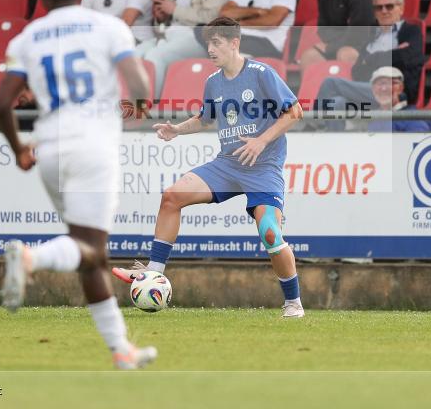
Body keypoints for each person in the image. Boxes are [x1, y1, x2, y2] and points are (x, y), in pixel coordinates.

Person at [0, 0, 156, 370]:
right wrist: (138, 108)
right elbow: (137, 83)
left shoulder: (28, 37)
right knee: (90, 249)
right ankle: (31, 258)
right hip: (93, 146)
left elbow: (0, 103)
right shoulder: (108, 27)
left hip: (49, 148)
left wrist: (18, 149)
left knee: (90, 255)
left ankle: (121, 349)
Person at [113, 17, 306, 319]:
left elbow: (295, 111)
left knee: (269, 233)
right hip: (228, 164)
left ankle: (293, 303)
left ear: (234, 43)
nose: (211, 49)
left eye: (217, 42)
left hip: (263, 165)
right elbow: (205, 119)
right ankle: (152, 274)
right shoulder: (213, 82)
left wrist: (260, 140)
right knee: (172, 197)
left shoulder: (260, 73)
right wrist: (176, 129)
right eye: (208, 43)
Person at [311, 0, 424, 125]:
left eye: (389, 6)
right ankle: (332, 143)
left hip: (395, 92)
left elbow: (409, 58)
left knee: (330, 83)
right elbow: (357, 70)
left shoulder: (411, 31)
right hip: (368, 90)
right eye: (378, 8)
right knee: (336, 103)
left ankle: (313, 126)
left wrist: (371, 59)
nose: (384, 11)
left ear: (401, 9)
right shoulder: (371, 35)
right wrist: (392, 56)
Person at [137, 0, 233, 98]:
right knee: (135, 55)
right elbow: (166, 21)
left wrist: (174, 9)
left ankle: (150, 108)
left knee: (155, 57)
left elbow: (212, 19)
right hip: (168, 36)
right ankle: (131, 106)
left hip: (199, 38)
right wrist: (162, 18)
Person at [366, 66, 431, 133]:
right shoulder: (368, 118)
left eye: (392, 83)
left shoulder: (413, 118)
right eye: (380, 84)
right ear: (373, 90)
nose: (384, 88)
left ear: (401, 88)